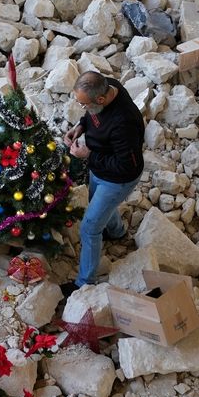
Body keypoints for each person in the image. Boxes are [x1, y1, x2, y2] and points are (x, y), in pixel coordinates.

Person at [61, 71, 145, 296]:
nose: (83, 108)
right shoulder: (109, 86)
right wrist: (80, 126)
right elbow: (92, 117)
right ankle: (117, 232)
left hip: (118, 179)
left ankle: (84, 283)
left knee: (90, 227)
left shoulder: (124, 123)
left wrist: (88, 155)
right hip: (100, 169)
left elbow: (126, 166)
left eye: (84, 104)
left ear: (100, 100)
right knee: (99, 203)